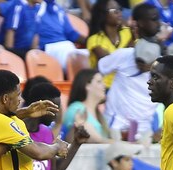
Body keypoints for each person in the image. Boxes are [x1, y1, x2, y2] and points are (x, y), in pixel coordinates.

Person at [98, 3, 163, 143]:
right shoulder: (124, 55)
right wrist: (103, 93)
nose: (158, 23)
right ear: (140, 23)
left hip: (146, 130)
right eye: (154, 19)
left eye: (158, 19)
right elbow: (98, 70)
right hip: (117, 128)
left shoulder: (164, 61)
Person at [87, 0, 133, 88]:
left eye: (119, 9)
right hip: (105, 86)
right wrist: (132, 41)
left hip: (127, 84)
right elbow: (111, 61)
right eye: (114, 10)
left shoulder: (128, 33)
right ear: (103, 15)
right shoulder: (95, 39)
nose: (119, 12)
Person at [64, 69, 113, 143]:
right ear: (87, 86)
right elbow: (97, 140)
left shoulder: (100, 115)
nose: (104, 86)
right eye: (99, 82)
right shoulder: (76, 108)